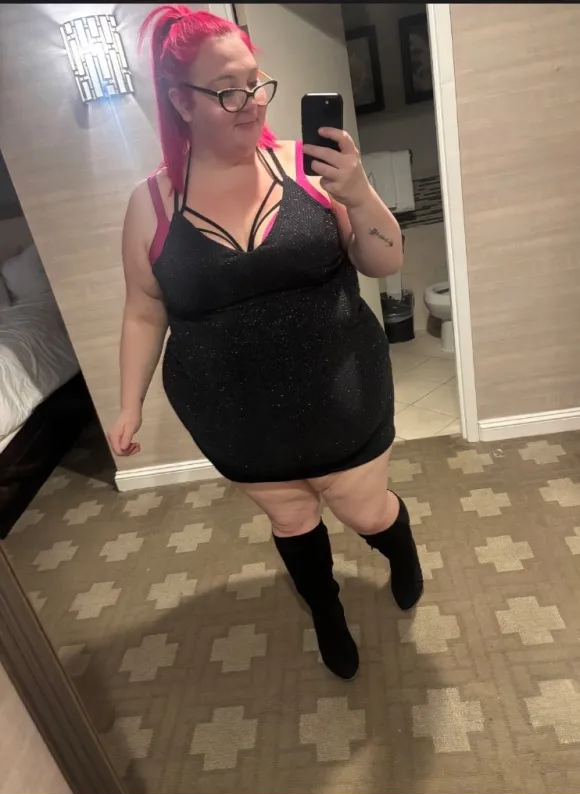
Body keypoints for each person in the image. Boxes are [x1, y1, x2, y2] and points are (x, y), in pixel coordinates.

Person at [108, 4, 423, 681]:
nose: (252, 101)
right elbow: (144, 308)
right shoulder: (150, 205)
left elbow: (385, 262)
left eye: (256, 82)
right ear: (180, 102)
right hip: (235, 418)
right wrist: (128, 404)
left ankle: (400, 550)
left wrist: (360, 194)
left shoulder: (309, 168)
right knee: (292, 521)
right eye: (228, 90)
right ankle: (327, 611)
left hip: (343, 398)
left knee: (365, 510)